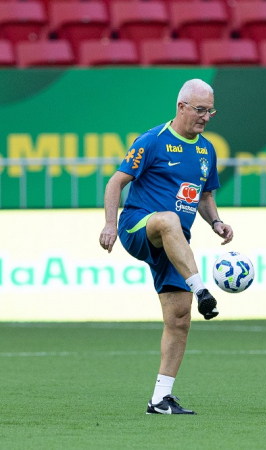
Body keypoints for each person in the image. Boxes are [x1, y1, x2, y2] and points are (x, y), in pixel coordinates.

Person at [99, 79, 233, 415]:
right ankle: (203, 290)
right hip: (139, 227)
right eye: (200, 110)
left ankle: (160, 398)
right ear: (181, 107)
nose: (205, 117)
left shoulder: (207, 150)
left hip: (176, 244)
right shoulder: (152, 141)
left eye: (210, 111)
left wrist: (216, 221)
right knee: (170, 220)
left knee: (179, 320)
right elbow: (116, 181)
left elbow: (205, 196)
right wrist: (110, 224)